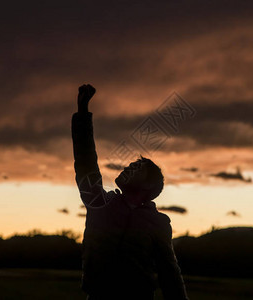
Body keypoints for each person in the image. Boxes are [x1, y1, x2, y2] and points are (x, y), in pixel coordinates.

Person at [72, 84, 189, 300]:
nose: (127, 168)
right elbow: (86, 163)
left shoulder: (158, 223)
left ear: (147, 187)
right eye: (131, 165)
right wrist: (82, 113)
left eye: (136, 169)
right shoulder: (100, 203)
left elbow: (169, 275)